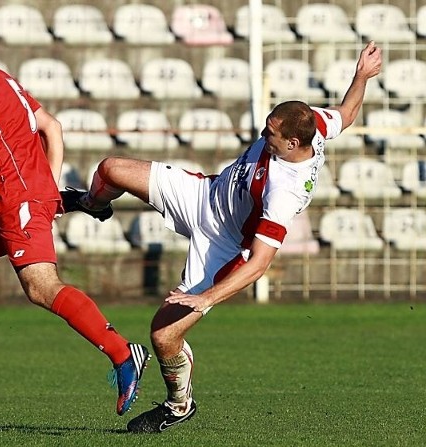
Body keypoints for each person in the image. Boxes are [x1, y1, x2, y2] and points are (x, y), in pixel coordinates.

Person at [62, 41, 383, 432]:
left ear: (293, 144)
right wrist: (362, 75)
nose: (265, 136)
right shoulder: (309, 120)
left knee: (164, 336)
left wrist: (204, 298)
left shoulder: (285, 191)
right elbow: (347, 114)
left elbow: (260, 263)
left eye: (271, 134)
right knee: (111, 169)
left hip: (224, 244)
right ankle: (94, 204)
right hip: (203, 194)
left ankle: (179, 404)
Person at [0, 20, 150, 416]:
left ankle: (123, 354)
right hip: (9, 202)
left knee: (41, 287)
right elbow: (52, 127)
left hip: (15, 200)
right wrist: (46, 190)